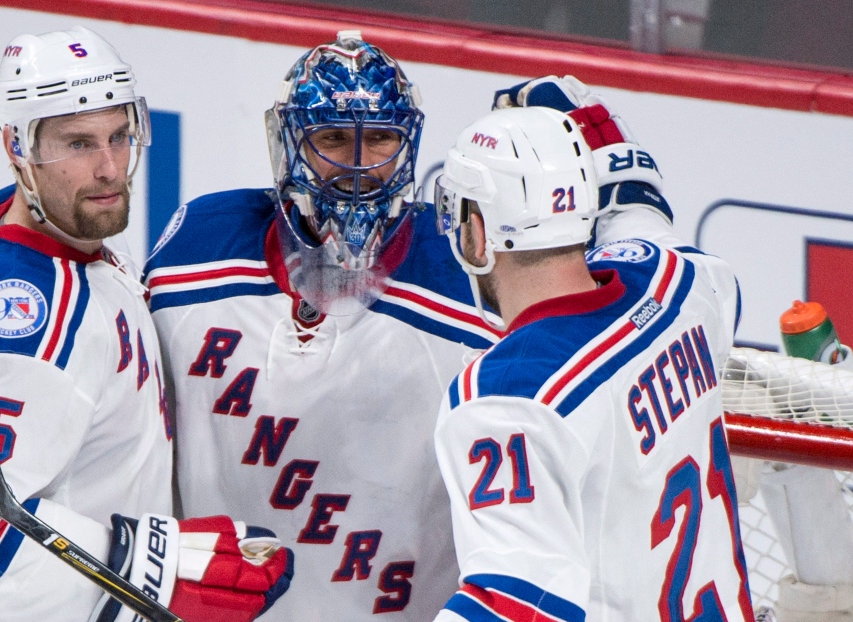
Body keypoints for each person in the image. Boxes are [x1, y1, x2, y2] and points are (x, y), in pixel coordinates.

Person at [0, 27, 291, 622]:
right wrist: (153, 584)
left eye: (119, 136)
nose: (110, 168)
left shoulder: (9, 224)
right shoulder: (33, 321)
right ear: (18, 148)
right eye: (78, 144)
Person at [143, 30, 502, 620]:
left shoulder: (467, 277)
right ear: (289, 146)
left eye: (380, 140)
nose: (358, 167)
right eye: (332, 139)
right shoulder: (196, 247)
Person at [429, 96, 750, 619]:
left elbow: (518, 605)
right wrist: (624, 175)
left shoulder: (507, 398)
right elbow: (684, 258)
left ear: (479, 231)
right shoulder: (677, 286)